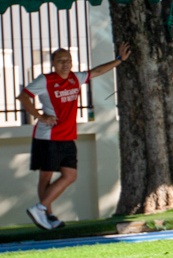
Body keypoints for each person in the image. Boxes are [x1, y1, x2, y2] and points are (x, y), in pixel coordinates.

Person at [17, 44, 130, 229]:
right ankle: (48, 215)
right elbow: (23, 97)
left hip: (68, 136)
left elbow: (97, 71)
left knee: (70, 176)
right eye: (61, 61)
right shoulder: (45, 80)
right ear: (53, 63)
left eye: (68, 61)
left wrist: (119, 60)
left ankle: (40, 208)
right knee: (45, 177)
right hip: (48, 136)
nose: (65, 64)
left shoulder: (75, 78)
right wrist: (40, 116)